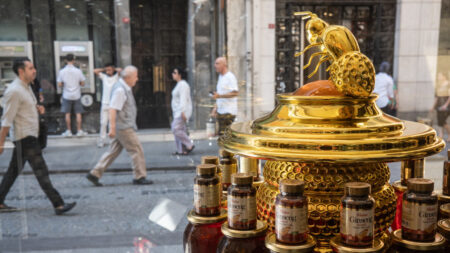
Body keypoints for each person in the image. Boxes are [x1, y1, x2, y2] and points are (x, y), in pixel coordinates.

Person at [0, 58, 76, 214]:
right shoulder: (14, 90)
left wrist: (37, 110)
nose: (34, 70)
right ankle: (58, 204)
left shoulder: (27, 87)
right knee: (41, 171)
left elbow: (24, 110)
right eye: (30, 68)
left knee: (13, 171)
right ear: (21, 71)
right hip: (25, 137)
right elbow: (6, 119)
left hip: (30, 135)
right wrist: (1, 143)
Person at [86, 66, 153, 186]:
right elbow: (113, 109)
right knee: (137, 150)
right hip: (124, 127)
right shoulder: (120, 90)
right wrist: (112, 128)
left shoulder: (124, 87)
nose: (137, 79)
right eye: (135, 76)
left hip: (121, 126)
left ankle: (95, 173)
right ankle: (139, 176)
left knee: (113, 151)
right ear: (128, 77)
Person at [57, 53, 87, 137]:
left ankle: (69, 131)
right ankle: (79, 131)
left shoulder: (62, 71)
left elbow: (59, 84)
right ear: (74, 60)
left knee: (67, 113)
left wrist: (65, 84)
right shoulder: (78, 71)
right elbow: (83, 83)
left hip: (66, 95)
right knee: (78, 113)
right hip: (76, 94)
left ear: (66, 60)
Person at [94, 63, 122, 147]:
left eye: (110, 70)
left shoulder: (116, 77)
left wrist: (113, 69)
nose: (108, 71)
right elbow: (95, 71)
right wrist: (104, 69)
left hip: (113, 103)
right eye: (107, 70)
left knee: (112, 123)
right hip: (105, 102)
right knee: (103, 123)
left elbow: (121, 70)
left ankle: (112, 140)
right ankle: (102, 140)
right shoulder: (104, 77)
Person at [210, 57, 239, 135]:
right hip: (221, 112)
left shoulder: (230, 77)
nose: (215, 65)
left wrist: (220, 96)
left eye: (217, 63)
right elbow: (219, 95)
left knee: (224, 138)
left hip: (228, 113)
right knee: (222, 137)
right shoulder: (220, 77)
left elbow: (235, 93)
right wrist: (215, 109)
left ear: (224, 65)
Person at [170, 67, 194, 155]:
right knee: (180, 130)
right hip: (177, 112)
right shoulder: (179, 84)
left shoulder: (183, 84)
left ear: (180, 74)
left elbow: (184, 99)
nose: (172, 74)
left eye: (174, 72)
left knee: (175, 128)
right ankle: (181, 150)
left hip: (181, 112)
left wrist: (183, 112)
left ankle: (189, 144)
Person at [430, 72, 450, 141]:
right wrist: (433, 107)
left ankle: (449, 134)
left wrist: (445, 105)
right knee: (439, 121)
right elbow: (437, 97)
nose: (438, 77)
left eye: (440, 76)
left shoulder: (448, 84)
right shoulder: (439, 85)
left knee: (443, 121)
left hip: (446, 107)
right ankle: (441, 135)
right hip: (439, 106)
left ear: (444, 77)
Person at [30, 78, 48, 149]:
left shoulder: (36, 81)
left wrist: (41, 95)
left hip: (37, 102)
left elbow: (40, 89)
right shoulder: (25, 83)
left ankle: (40, 144)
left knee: (40, 123)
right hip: (30, 104)